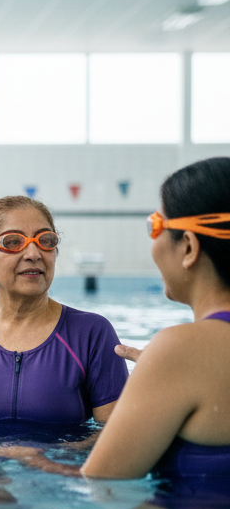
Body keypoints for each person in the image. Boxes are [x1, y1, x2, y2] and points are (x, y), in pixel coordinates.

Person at [23, 157, 230, 480]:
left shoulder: (179, 350)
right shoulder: (186, 356)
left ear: (188, 246)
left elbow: (98, 481)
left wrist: (23, 457)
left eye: (155, 227)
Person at [0, 195, 128, 424]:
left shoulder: (92, 334)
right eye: (13, 242)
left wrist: (49, 459)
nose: (33, 254)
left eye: (45, 241)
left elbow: (114, 434)